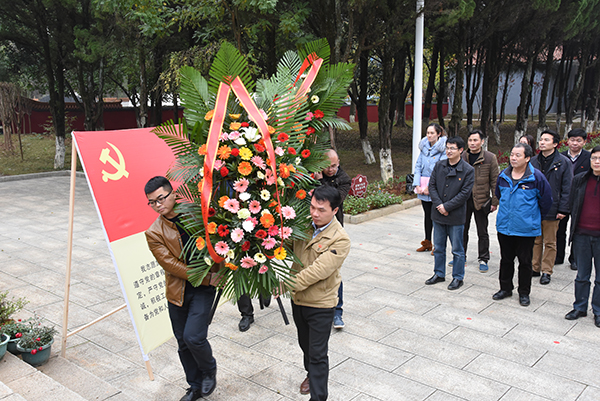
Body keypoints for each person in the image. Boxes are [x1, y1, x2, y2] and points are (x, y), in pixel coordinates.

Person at [144, 176, 219, 401]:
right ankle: (195, 386)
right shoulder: (154, 232)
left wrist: (220, 270)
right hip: (178, 292)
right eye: (152, 202)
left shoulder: (196, 213)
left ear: (173, 193)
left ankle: (209, 370)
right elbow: (170, 265)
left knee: (193, 337)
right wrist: (207, 279)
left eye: (161, 198)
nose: (158, 205)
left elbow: (219, 241)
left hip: (202, 291)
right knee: (183, 343)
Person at [289, 185, 350, 400]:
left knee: (317, 354)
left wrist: (286, 283)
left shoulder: (340, 239)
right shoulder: (304, 225)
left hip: (321, 304)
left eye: (321, 210)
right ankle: (310, 374)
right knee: (305, 346)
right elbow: (286, 244)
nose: (315, 213)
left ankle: (318, 396)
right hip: (298, 300)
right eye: (313, 207)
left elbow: (318, 271)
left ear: (335, 210)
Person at [493, 143, 552, 306]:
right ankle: (505, 288)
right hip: (505, 227)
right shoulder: (503, 175)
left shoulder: (536, 177)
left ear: (527, 158)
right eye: (512, 154)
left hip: (526, 229)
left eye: (518, 155)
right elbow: (498, 194)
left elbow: (546, 201)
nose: (513, 158)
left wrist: (533, 218)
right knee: (506, 260)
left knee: (525, 262)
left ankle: (524, 292)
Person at [425, 136, 474, 290]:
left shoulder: (468, 170)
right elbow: (432, 186)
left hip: (455, 216)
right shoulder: (439, 165)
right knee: (439, 247)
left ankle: (458, 277)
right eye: (447, 148)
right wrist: (439, 205)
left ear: (461, 150)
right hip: (438, 214)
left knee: (457, 250)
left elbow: (465, 194)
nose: (449, 151)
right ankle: (439, 273)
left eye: (452, 148)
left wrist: (447, 207)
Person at [314, 149, 351, 329]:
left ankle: (337, 311)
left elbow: (332, 200)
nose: (330, 169)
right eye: (327, 166)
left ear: (339, 163)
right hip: (314, 228)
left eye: (334, 166)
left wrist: (320, 181)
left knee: (333, 270)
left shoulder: (344, 179)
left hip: (333, 231)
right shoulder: (315, 172)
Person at [564, 145, 600, 328]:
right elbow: (572, 203)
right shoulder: (579, 179)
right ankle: (579, 307)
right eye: (594, 158)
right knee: (582, 275)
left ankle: (598, 310)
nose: (597, 162)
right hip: (582, 234)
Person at [530, 130, 572, 285]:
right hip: (534, 207)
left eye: (546, 140)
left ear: (555, 144)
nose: (542, 142)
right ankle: (534, 267)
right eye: (541, 139)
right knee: (535, 240)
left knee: (550, 242)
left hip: (553, 208)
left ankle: (546, 271)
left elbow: (567, 188)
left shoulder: (563, 162)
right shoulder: (533, 161)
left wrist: (563, 209)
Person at [460, 129, 499, 273]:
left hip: (482, 200)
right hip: (463, 200)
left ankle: (483, 258)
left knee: (482, 231)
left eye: (475, 140)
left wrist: (495, 201)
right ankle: (460, 256)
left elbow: (495, 181)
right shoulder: (462, 157)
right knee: (461, 229)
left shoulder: (490, 158)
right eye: (470, 140)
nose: (472, 143)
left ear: (482, 141)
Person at [556, 128, 591, 270]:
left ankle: (574, 259)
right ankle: (558, 256)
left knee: (577, 230)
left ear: (584, 142)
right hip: (563, 198)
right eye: (572, 140)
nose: (575, 143)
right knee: (560, 229)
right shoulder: (560, 157)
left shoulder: (589, 157)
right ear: (567, 141)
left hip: (581, 199)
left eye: (578, 140)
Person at [413, 123, 448, 253]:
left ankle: (438, 245)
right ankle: (427, 242)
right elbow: (418, 167)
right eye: (428, 133)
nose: (429, 135)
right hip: (423, 188)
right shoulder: (424, 148)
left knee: (437, 217)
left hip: (436, 188)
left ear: (439, 134)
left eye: (432, 133)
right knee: (427, 215)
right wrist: (417, 184)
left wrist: (430, 187)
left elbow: (440, 170)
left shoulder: (443, 150)